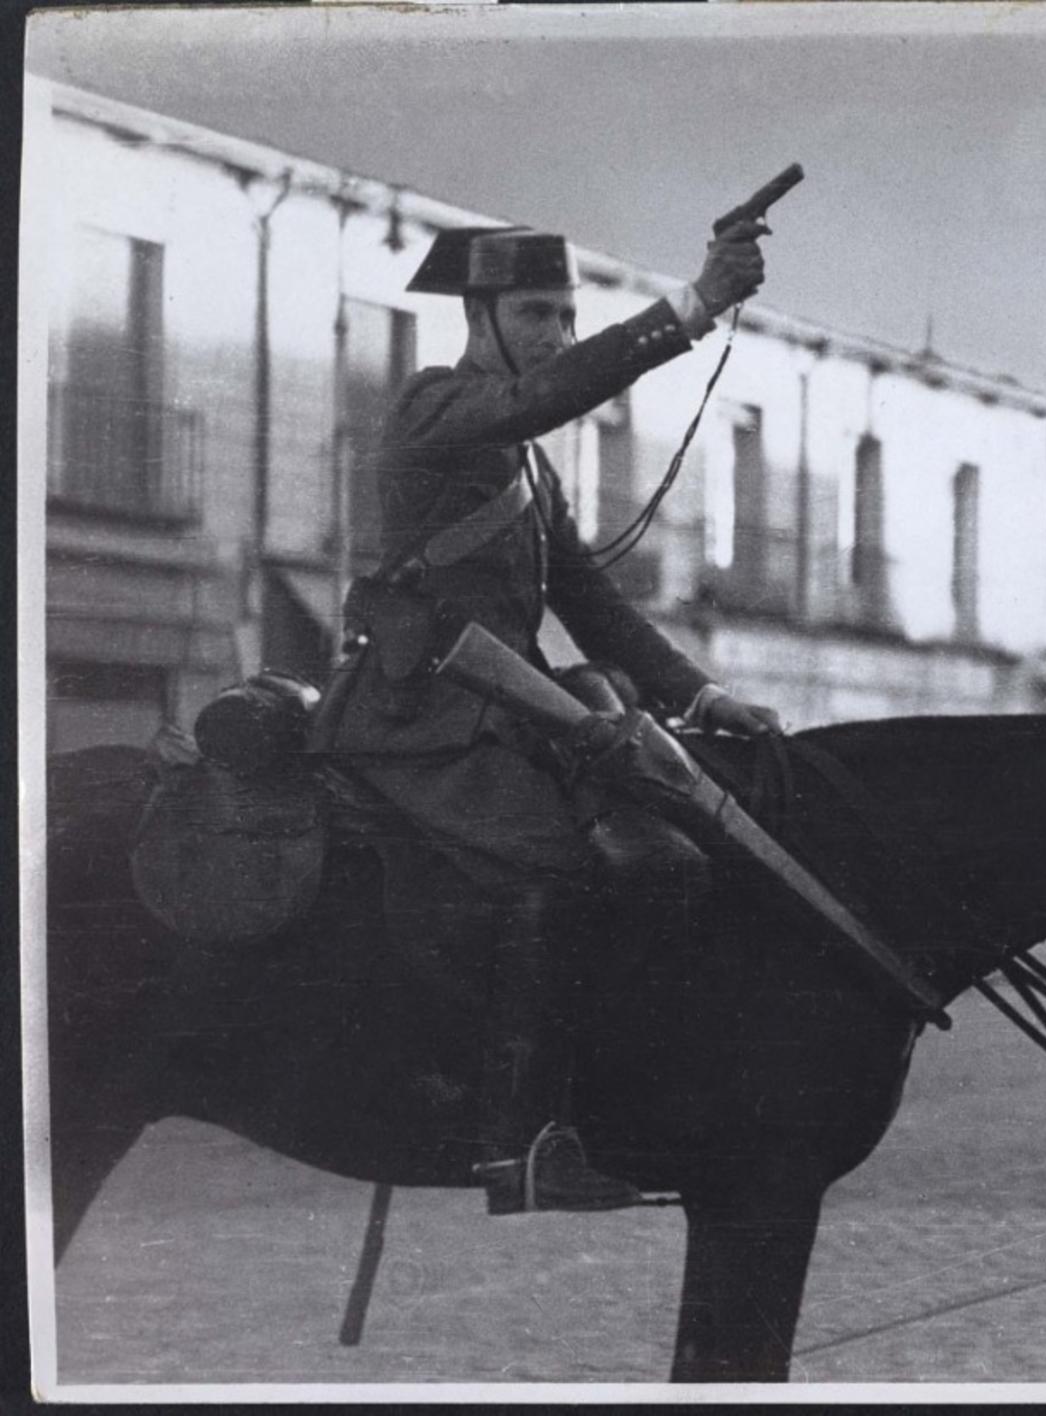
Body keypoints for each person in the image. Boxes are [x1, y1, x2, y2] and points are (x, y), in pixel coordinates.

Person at [323, 220, 783, 1214]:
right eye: (536, 313)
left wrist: (700, 693)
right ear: (479, 315)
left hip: (506, 704)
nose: (553, 331)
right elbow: (549, 393)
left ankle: (609, 1099)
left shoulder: (527, 465)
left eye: (566, 315)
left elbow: (592, 601)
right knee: (559, 865)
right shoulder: (433, 404)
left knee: (670, 846)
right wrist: (694, 305)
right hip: (420, 715)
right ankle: (514, 1145)